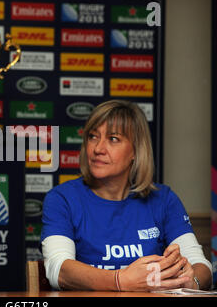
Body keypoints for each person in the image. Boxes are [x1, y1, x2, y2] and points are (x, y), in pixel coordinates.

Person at [41, 100, 212, 291]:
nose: (98, 148)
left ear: (136, 150)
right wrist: (119, 281)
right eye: (92, 136)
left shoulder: (164, 200)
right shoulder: (62, 199)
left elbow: (201, 266)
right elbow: (59, 270)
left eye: (113, 139)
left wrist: (191, 282)